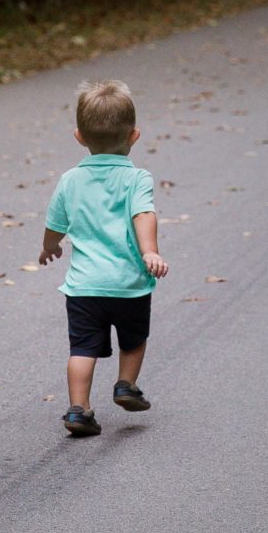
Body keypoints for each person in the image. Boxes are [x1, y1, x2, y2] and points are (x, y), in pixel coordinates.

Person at [38, 78, 169, 436]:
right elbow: (143, 214)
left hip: (84, 287)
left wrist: (50, 247)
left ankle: (79, 409)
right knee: (133, 338)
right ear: (134, 136)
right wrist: (150, 251)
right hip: (129, 284)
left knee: (82, 348)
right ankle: (126, 385)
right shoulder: (137, 178)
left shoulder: (70, 180)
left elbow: (55, 224)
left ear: (79, 136)